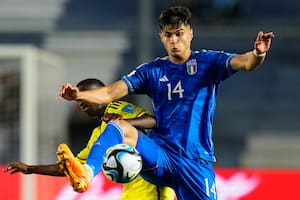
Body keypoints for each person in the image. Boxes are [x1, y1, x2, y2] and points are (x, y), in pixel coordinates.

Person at [57, 5, 274, 200]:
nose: (174, 40)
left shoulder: (208, 62)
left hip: (195, 162)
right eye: (168, 35)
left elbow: (245, 63)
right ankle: (86, 173)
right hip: (161, 155)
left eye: (179, 34)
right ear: (161, 37)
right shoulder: (151, 71)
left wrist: (258, 53)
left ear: (190, 34)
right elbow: (108, 94)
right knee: (119, 125)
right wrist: (78, 96)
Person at [4, 78, 175, 200]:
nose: (81, 101)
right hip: (130, 194)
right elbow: (73, 168)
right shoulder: (98, 135)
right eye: (79, 98)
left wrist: (125, 123)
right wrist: (30, 169)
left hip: (152, 192)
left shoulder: (117, 108)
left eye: (86, 95)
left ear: (100, 95)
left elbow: (153, 121)